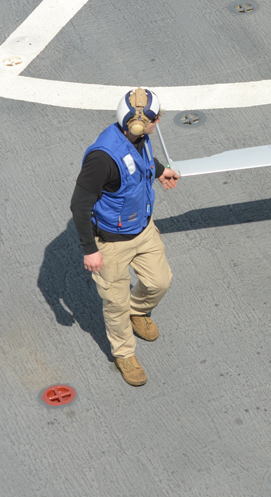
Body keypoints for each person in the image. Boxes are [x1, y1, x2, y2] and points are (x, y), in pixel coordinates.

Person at [70, 88, 179, 386]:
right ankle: (124, 353)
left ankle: (139, 310)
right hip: (111, 243)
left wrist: (159, 171)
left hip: (142, 229)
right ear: (138, 123)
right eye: (155, 119)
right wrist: (89, 249)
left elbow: (139, 163)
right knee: (115, 303)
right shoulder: (102, 159)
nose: (158, 124)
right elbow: (79, 205)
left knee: (160, 281)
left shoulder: (140, 138)